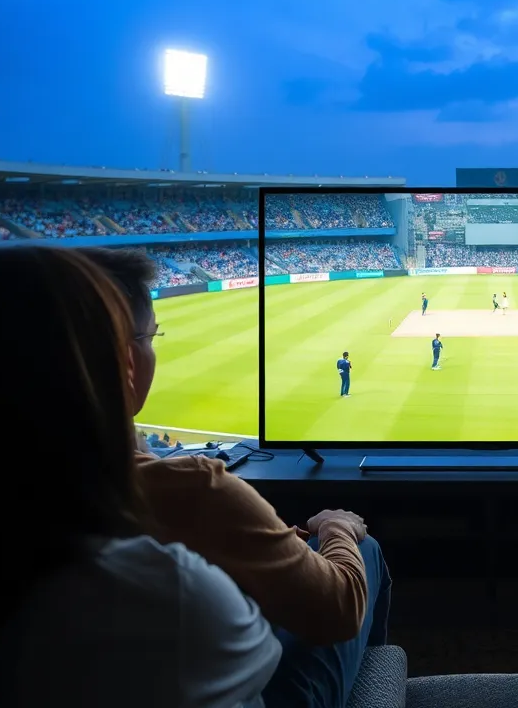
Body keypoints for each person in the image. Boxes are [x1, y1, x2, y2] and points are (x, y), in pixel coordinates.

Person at [0, 246, 280, 707]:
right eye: (131, 344)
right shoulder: (165, 595)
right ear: (112, 372)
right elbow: (293, 638)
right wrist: (340, 531)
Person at [82, 247, 394, 708]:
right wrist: (337, 528)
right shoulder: (189, 490)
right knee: (360, 550)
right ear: (127, 361)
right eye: (150, 336)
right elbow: (339, 609)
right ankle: (375, 688)